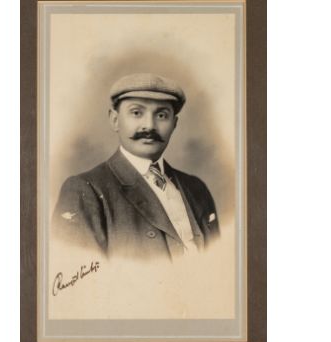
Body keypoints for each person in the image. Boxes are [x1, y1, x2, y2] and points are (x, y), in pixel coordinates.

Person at [52, 73, 219, 259]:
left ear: (174, 124)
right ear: (115, 120)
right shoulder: (84, 190)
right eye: (136, 113)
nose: (149, 126)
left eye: (162, 115)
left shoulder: (197, 189)